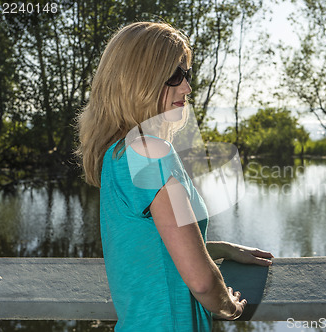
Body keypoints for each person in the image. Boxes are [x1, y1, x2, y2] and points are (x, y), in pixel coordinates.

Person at [76, 22, 273, 331]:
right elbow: (202, 282)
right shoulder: (152, 152)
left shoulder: (119, 154)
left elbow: (157, 254)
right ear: (139, 80)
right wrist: (231, 307)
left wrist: (223, 250)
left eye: (187, 74)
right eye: (175, 75)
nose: (187, 88)